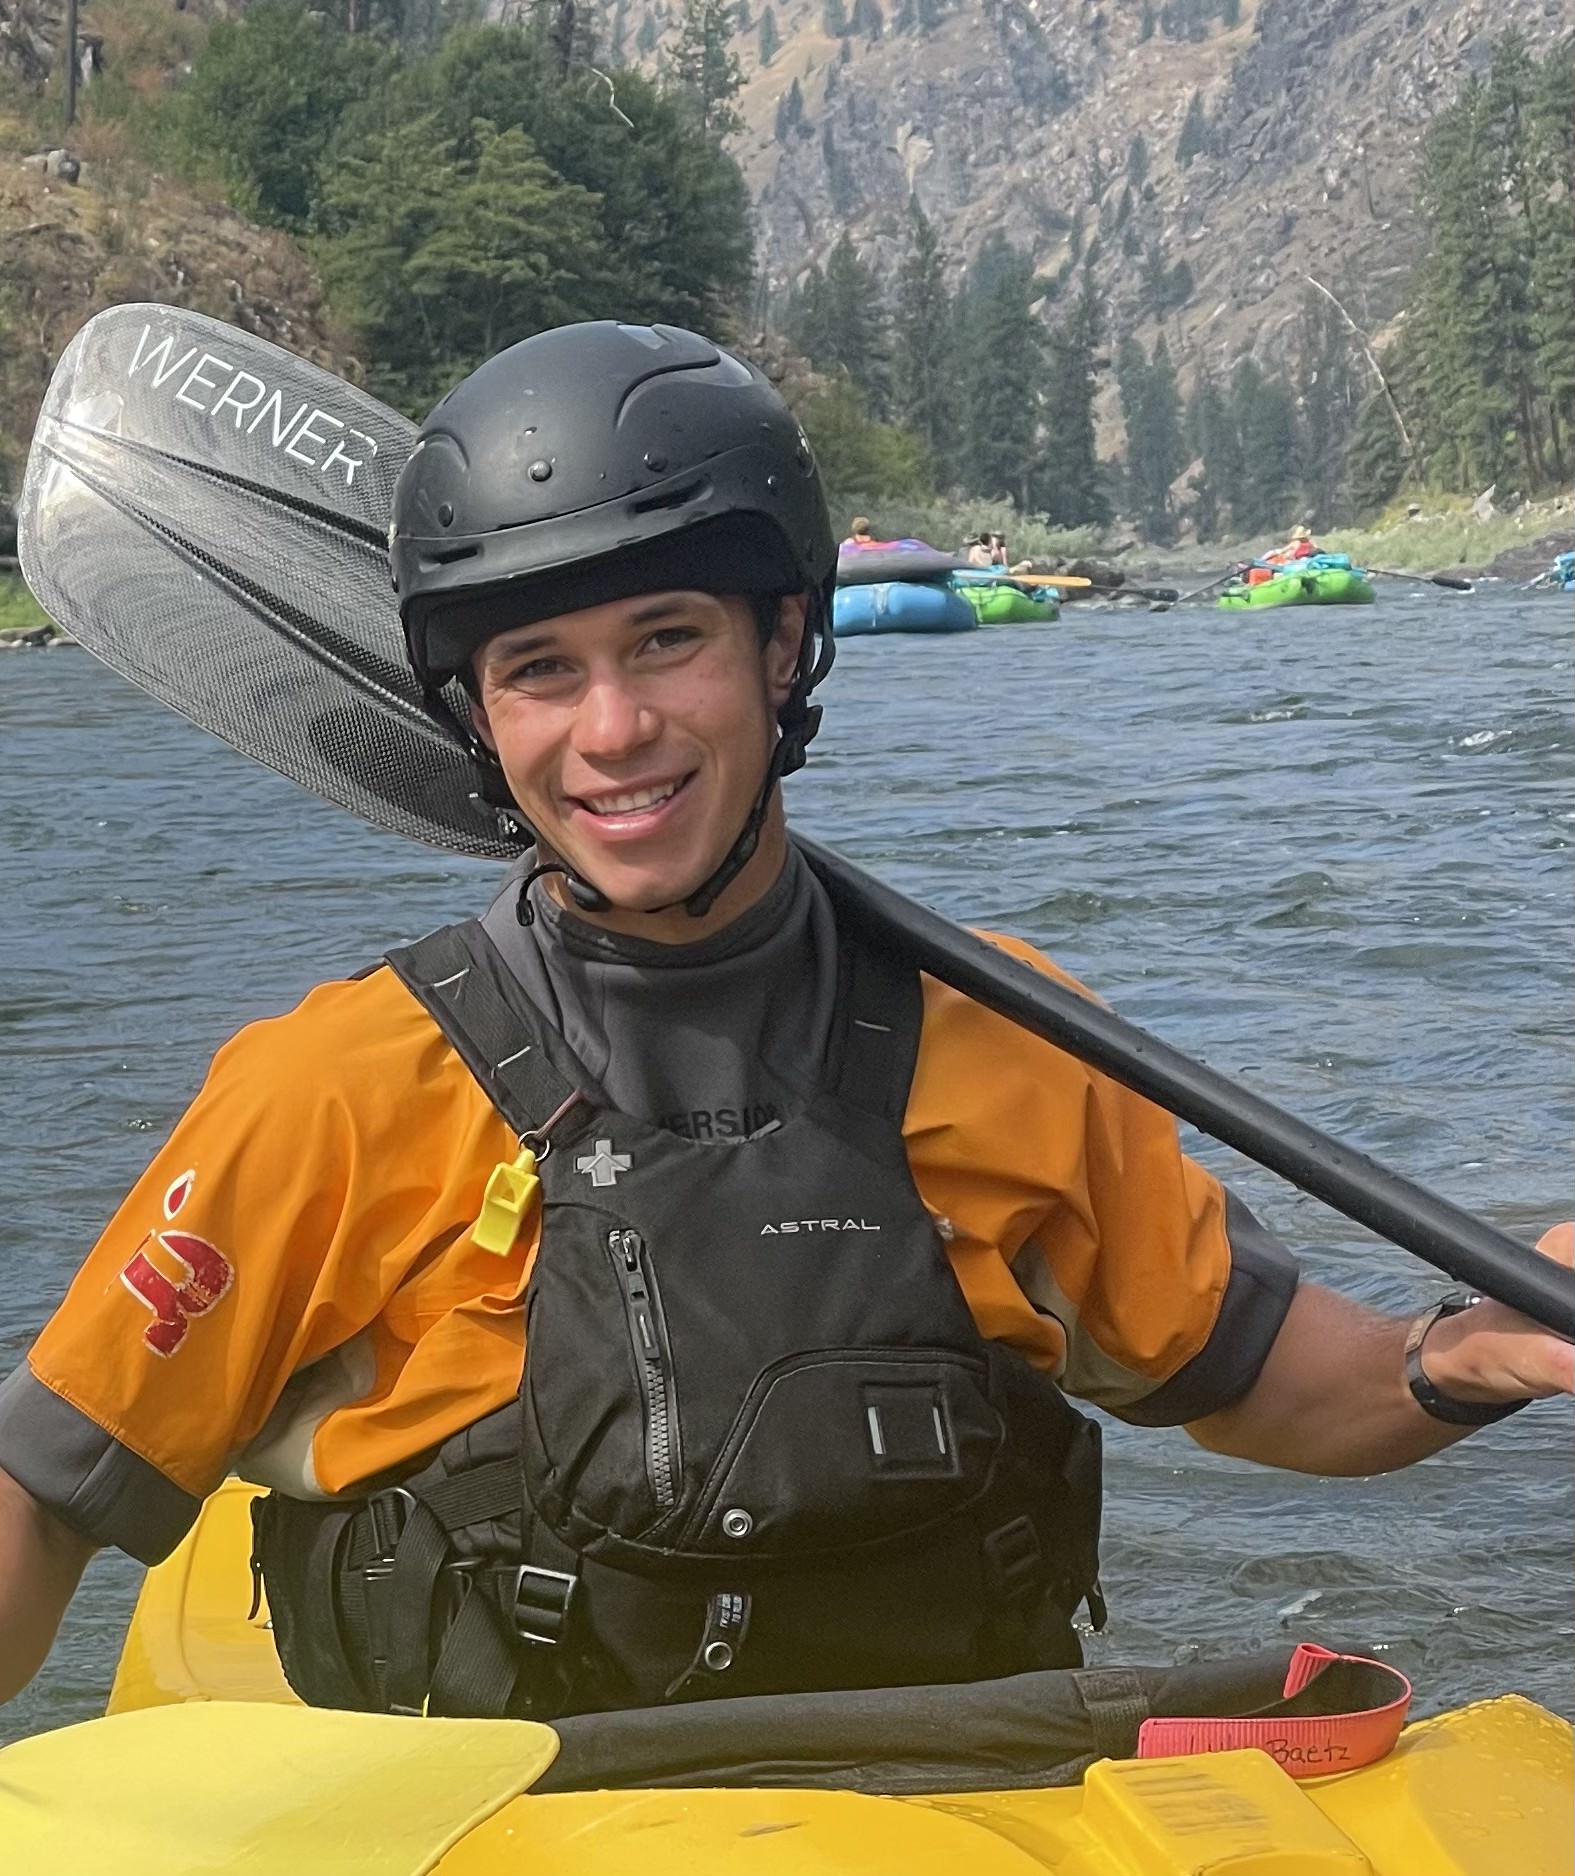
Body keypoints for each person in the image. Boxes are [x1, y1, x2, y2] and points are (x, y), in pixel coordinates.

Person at [0, 323, 1568, 1723]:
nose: (611, 731)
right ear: (476, 720)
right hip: (510, 1829)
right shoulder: (337, 1085)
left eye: (664, 639)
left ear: (778, 647)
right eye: (540, 670)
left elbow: (1237, 1369)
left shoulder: (1008, 1033)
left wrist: (1462, 1357)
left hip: (936, 1811)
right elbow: (50, 1492)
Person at [1247, 524, 1319, 586]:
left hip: (1297, 562)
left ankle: (1260, 561)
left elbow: (1281, 551)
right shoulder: (1310, 543)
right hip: (1307, 561)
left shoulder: (1295, 543)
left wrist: (1277, 553)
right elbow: (1317, 550)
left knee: (1275, 555)